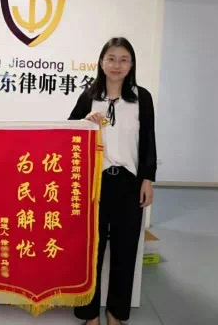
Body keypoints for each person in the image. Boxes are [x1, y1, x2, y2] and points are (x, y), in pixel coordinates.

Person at [68, 37, 157, 325]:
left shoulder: (142, 98)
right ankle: (89, 314)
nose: (117, 65)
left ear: (131, 64)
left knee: (125, 250)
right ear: (101, 62)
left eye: (123, 59)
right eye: (111, 58)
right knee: (90, 251)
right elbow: (67, 133)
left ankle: (115, 313)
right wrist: (85, 123)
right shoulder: (89, 96)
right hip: (95, 184)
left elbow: (148, 140)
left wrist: (148, 179)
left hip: (130, 184)